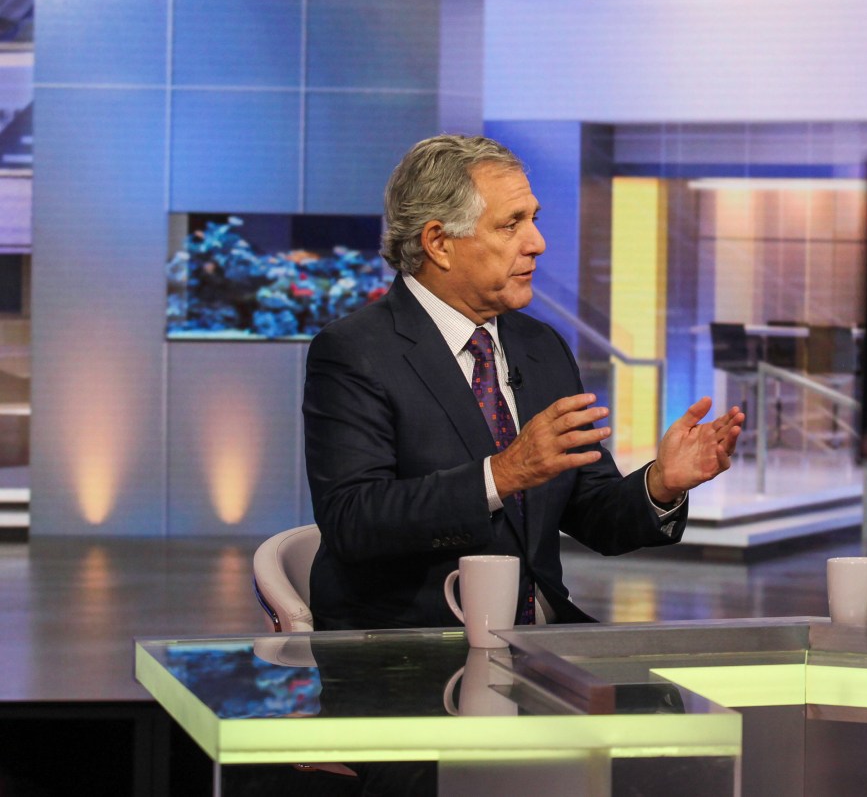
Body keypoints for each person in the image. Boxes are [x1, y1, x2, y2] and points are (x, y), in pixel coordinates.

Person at [303, 134, 744, 631]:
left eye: (533, 219)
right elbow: (353, 521)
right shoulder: (355, 352)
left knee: (672, 700)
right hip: (416, 643)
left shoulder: (541, 346)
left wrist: (660, 484)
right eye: (511, 224)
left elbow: (592, 512)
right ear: (439, 243)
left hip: (540, 636)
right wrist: (503, 473)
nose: (537, 243)